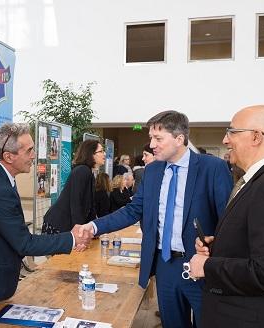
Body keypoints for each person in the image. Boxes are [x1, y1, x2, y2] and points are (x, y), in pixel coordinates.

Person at [79, 110, 232, 327]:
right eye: (151, 138)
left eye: (158, 138)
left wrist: (216, 254)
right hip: (165, 265)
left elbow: (227, 219)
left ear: (179, 139)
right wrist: (94, 226)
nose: (152, 144)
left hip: (202, 267)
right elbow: (132, 210)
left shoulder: (212, 168)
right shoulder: (152, 172)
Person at [0, 123, 91, 322]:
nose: (34, 155)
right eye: (29, 151)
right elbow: (24, 243)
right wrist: (72, 238)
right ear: (9, 157)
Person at [190, 105, 264, 328]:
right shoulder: (261, 180)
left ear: (255, 137)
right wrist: (220, 247)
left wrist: (207, 266)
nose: (225, 140)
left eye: (232, 132)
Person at [42, 139, 106, 234]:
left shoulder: (89, 172)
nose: (104, 154)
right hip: (58, 224)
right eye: (101, 151)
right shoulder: (82, 171)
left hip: (67, 225)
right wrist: (80, 232)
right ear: (90, 154)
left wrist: (93, 229)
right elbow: (76, 203)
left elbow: (90, 205)